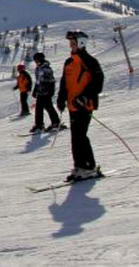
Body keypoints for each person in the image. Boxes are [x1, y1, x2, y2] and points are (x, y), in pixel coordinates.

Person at [57, 31, 104, 182]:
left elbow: (98, 82)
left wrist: (84, 97)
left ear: (81, 43)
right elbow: (64, 83)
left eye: (74, 42)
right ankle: (79, 166)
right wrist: (61, 98)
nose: (71, 45)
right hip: (72, 106)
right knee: (75, 137)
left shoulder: (90, 61)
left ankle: (89, 167)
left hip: (85, 105)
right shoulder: (69, 62)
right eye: (70, 43)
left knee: (80, 136)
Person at [30, 52, 61, 134]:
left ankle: (54, 123)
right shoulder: (38, 68)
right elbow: (38, 81)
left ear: (40, 59)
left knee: (48, 107)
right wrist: (35, 90)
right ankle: (40, 124)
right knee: (40, 108)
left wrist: (51, 91)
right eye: (35, 60)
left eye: (36, 60)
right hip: (40, 92)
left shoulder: (46, 68)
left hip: (46, 92)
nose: (35, 62)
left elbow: (52, 81)